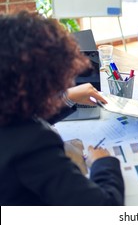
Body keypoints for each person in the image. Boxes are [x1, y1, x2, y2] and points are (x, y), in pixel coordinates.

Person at [0, 11, 124, 205]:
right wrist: (102, 163)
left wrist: (67, 97)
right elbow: (104, 207)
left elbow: (21, 121)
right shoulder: (34, 145)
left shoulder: (8, 110)